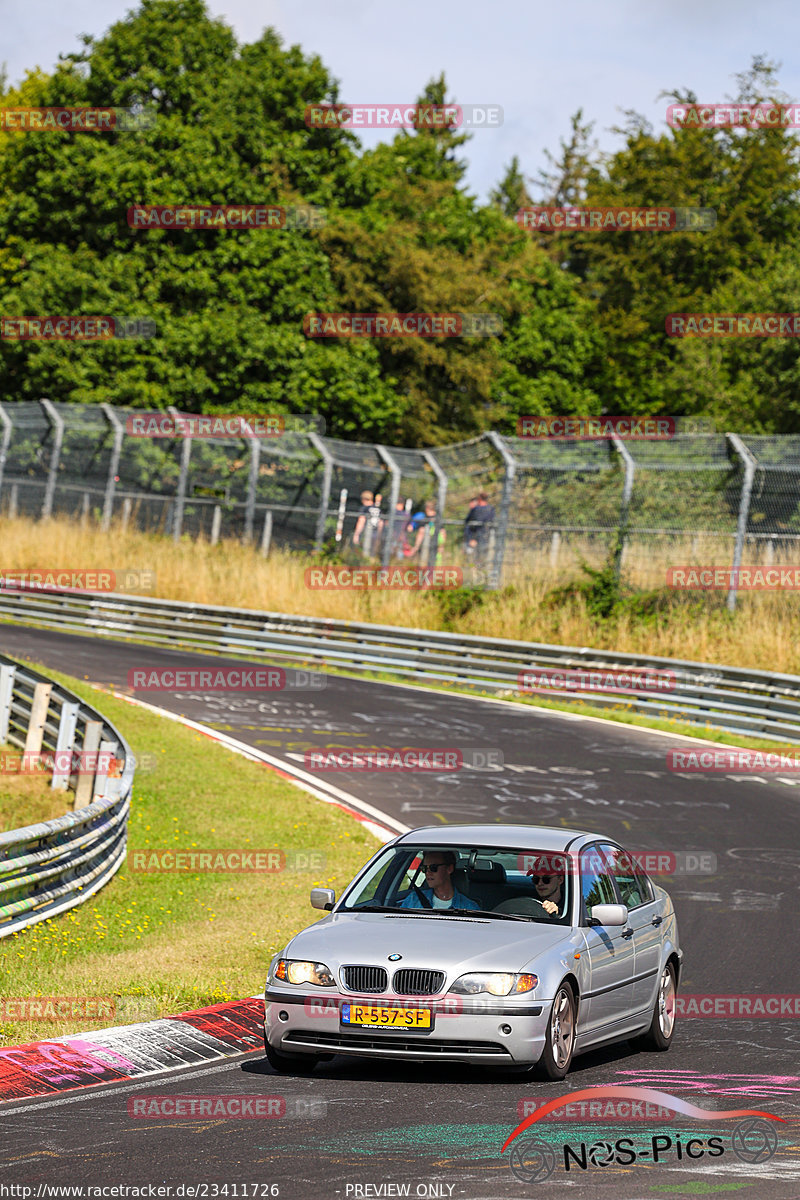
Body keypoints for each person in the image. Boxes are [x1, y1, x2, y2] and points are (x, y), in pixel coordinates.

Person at [399, 850, 479, 911]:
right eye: (424, 868)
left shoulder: (469, 908)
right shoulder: (413, 899)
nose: (428, 872)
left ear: (449, 869)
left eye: (433, 867)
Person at [464, 491, 495, 560]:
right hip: (485, 536)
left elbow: (468, 521)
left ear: (479, 499)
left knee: (475, 556)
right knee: (481, 555)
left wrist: (472, 538)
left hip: (478, 536)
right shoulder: (491, 509)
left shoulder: (475, 509)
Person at [352, 490, 384, 556]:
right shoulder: (378, 509)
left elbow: (361, 521)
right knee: (373, 553)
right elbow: (381, 523)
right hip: (375, 533)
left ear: (363, 499)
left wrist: (357, 534)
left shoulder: (364, 508)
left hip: (366, 533)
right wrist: (379, 535)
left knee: (364, 553)